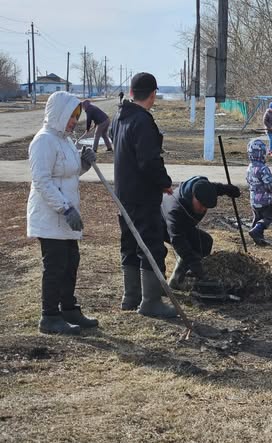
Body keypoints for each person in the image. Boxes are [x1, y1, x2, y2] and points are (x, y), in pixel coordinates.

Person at [27, 91, 99, 335]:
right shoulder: (43, 141)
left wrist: (84, 164)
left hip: (66, 214)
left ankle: (68, 309)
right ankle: (49, 316)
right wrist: (65, 208)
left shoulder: (65, 140)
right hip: (50, 216)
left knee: (71, 262)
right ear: (58, 114)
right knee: (55, 265)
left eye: (76, 117)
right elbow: (42, 180)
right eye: (70, 116)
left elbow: (68, 173)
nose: (73, 121)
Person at [111, 72, 177, 318]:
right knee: (151, 245)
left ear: (131, 92)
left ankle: (131, 297)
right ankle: (151, 302)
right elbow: (148, 160)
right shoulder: (142, 121)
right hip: (142, 195)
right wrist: (164, 182)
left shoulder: (120, 117)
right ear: (152, 95)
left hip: (124, 193)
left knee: (129, 243)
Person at [163, 176, 240, 291]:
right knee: (187, 247)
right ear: (193, 196)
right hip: (161, 226)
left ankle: (184, 276)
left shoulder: (202, 187)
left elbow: (215, 188)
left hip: (184, 225)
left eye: (206, 207)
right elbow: (178, 241)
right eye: (201, 205)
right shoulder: (175, 210)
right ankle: (177, 280)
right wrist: (195, 264)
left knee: (205, 242)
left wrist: (228, 190)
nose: (203, 209)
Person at [246, 139, 272, 246]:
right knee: (268, 218)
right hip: (264, 200)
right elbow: (269, 184)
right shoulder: (263, 168)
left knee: (257, 218)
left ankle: (258, 239)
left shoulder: (250, 167)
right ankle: (256, 231)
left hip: (253, 199)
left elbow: (248, 180)